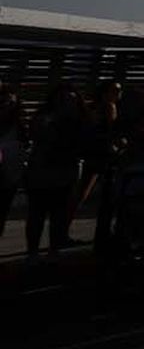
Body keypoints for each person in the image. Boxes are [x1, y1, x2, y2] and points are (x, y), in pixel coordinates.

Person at [25, 84, 86, 260]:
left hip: (62, 172)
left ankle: (52, 250)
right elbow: (39, 136)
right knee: (38, 214)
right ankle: (34, 252)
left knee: (57, 214)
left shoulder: (77, 121)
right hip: (43, 172)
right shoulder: (46, 119)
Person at [76, 80, 123, 254]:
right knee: (107, 195)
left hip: (91, 151)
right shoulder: (110, 107)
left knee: (82, 191)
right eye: (115, 91)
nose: (118, 94)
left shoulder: (91, 108)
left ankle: (63, 229)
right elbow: (113, 128)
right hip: (104, 153)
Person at [0, 85, 26, 241]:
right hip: (8, 174)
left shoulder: (18, 125)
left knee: (2, 213)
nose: (6, 105)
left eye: (10, 103)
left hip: (9, 175)